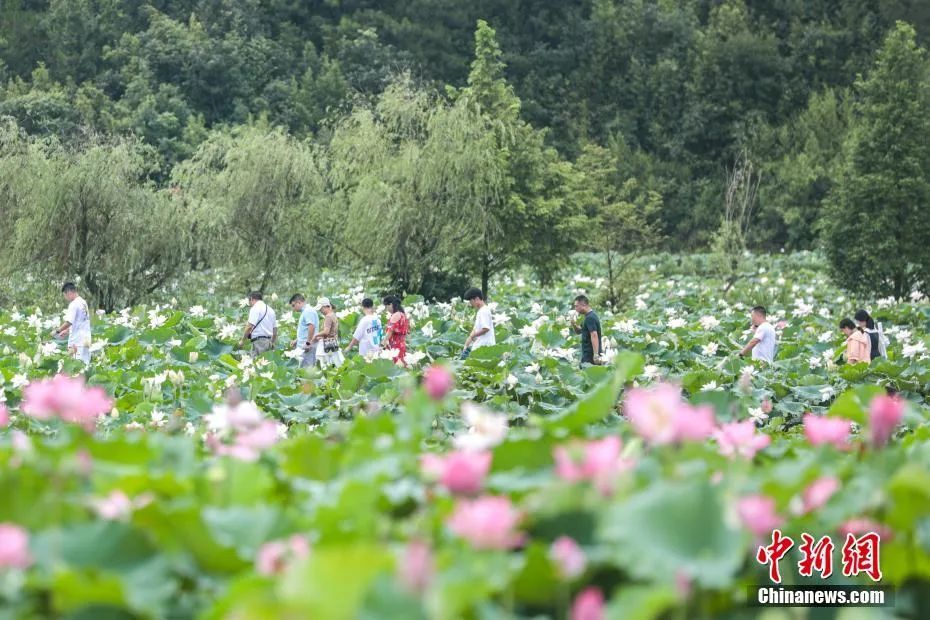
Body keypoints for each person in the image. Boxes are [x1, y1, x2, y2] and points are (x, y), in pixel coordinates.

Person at [52, 282, 92, 364]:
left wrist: (57, 331)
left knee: (77, 367)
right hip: (86, 339)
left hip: (77, 342)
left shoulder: (73, 304)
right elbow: (80, 321)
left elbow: (69, 322)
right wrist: (66, 331)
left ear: (69, 292)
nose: (66, 298)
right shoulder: (83, 302)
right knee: (85, 365)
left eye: (65, 295)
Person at [461, 287, 495, 359]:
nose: (471, 304)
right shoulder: (481, 311)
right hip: (481, 347)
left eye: (471, 301)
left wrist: (473, 336)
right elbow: (475, 330)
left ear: (476, 299)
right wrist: (466, 345)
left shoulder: (484, 311)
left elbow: (485, 329)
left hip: (485, 348)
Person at [240, 291, 277, 355]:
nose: (250, 305)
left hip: (259, 342)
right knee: (266, 363)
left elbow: (249, 326)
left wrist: (242, 341)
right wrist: (272, 342)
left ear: (251, 299)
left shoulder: (255, 308)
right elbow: (275, 329)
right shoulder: (271, 310)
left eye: (249, 302)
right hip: (269, 342)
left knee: (257, 363)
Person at [312, 298, 344, 368]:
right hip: (333, 342)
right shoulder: (333, 315)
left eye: (321, 309)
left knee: (323, 365)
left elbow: (326, 332)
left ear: (326, 306)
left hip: (327, 344)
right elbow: (331, 332)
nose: (320, 311)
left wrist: (316, 335)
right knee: (336, 363)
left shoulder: (328, 317)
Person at [289, 294, 318, 368]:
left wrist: (308, 343)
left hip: (307, 347)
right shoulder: (305, 312)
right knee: (303, 370)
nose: (293, 308)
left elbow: (311, 326)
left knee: (307, 371)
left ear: (298, 302)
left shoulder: (308, 311)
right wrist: (296, 340)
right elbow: (305, 330)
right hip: (303, 346)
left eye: (293, 305)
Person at [572, 295, 603, 365]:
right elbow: (579, 331)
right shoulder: (588, 316)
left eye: (576, 306)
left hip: (590, 355)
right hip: (587, 353)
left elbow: (594, 335)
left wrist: (595, 355)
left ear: (583, 305)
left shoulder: (590, 318)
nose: (575, 309)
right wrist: (573, 323)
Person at [382, 295, 409, 365]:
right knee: (401, 365)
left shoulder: (395, 315)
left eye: (386, 306)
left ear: (390, 304)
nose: (386, 309)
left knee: (395, 365)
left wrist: (383, 343)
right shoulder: (403, 314)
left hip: (394, 345)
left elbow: (390, 331)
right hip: (401, 344)